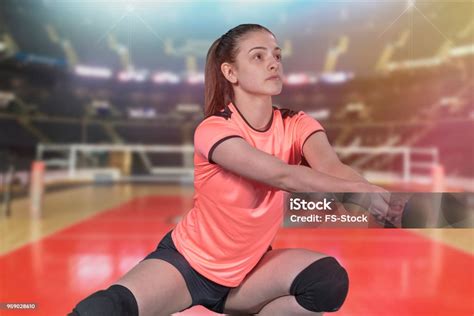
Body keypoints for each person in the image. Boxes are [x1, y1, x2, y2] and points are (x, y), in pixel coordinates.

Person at [70, 23, 391, 316]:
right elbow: (281, 175)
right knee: (106, 309)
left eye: (277, 55)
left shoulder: (297, 122)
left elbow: (331, 167)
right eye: (258, 56)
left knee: (327, 281)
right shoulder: (214, 128)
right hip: (188, 267)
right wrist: (361, 194)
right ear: (231, 72)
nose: (273, 62)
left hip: (248, 274)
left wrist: (378, 197)